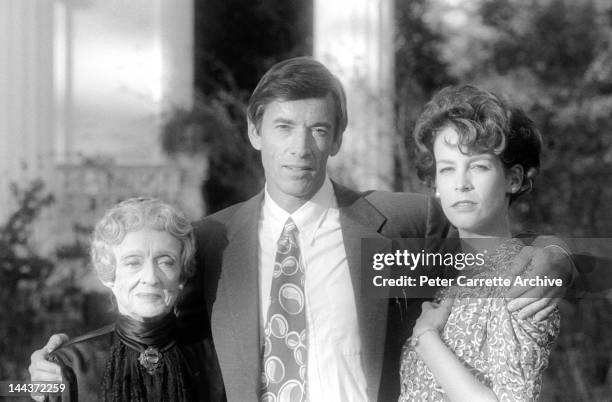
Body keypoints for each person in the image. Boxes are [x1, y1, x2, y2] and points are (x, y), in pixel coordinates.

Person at [30, 58, 571, 402]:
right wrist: (53, 371)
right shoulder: (211, 241)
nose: (301, 146)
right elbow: (150, 332)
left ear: (336, 138)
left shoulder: (405, 223)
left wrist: (555, 257)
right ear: (254, 132)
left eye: (318, 129)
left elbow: (483, 255)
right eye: (284, 127)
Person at [399, 85, 560, 401]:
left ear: (513, 179)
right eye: (447, 169)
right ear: (435, 185)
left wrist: (427, 337)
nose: (460, 184)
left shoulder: (524, 276)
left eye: (478, 166)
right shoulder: (444, 276)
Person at [45, 198, 214, 401]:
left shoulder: (214, 357)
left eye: (166, 262)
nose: (150, 278)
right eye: (133, 263)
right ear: (108, 274)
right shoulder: (69, 364)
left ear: (183, 274)